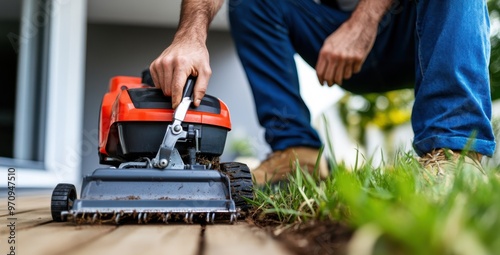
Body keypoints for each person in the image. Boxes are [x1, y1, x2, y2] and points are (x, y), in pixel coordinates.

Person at [149, 0, 496, 185]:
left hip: (417, 34)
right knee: (250, 2)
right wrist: (190, 36)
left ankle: (454, 154)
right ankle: (297, 153)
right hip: (333, 43)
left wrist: (363, 22)